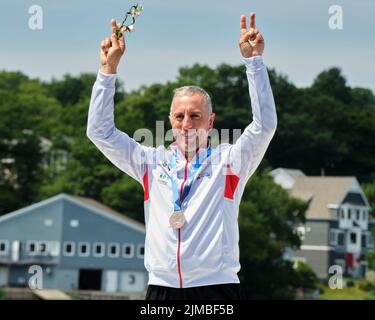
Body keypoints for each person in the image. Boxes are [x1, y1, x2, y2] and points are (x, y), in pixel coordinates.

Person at [87, 12, 277, 300]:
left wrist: (254, 63)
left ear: (210, 122)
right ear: (170, 120)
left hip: (216, 289)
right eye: (179, 116)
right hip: (160, 289)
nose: (186, 124)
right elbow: (100, 133)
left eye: (195, 116)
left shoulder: (230, 162)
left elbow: (264, 126)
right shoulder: (150, 163)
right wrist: (107, 72)